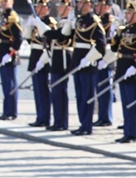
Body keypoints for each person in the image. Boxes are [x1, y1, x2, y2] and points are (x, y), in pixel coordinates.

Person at [110, 0, 136, 144]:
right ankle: (127, 131)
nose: (127, 15)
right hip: (122, 67)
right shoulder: (123, 29)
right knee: (126, 103)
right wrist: (114, 33)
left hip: (133, 69)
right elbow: (115, 48)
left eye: (130, 13)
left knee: (133, 103)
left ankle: (133, 133)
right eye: (127, 13)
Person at [68, 0, 107, 136]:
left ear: (88, 4)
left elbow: (101, 45)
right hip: (78, 62)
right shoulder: (79, 20)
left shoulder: (94, 21)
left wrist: (89, 58)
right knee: (79, 95)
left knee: (87, 96)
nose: (78, 6)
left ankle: (87, 126)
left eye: (80, 3)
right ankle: (82, 123)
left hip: (88, 64)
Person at [44, 0, 73, 131]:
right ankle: (57, 120)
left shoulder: (69, 23)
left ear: (68, 8)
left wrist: (44, 29)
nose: (59, 8)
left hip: (63, 58)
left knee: (60, 91)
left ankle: (62, 122)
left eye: (61, 6)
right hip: (56, 58)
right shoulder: (62, 22)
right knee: (56, 92)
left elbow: (61, 36)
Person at [24, 0, 54, 128]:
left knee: (43, 90)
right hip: (34, 56)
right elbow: (28, 38)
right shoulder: (35, 21)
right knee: (37, 90)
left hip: (44, 57)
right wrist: (29, 25)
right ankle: (39, 116)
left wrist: (42, 61)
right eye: (36, 6)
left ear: (47, 8)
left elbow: (50, 44)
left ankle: (45, 117)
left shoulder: (49, 23)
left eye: (40, 6)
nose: (37, 8)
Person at [0, 0, 22, 121]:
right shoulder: (3, 15)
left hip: (8, 53)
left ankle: (11, 112)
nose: (2, 3)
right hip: (2, 52)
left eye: (5, 1)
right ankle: (6, 111)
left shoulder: (12, 16)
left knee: (10, 85)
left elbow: (19, 38)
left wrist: (11, 53)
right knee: (6, 85)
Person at [94, 0, 116, 128]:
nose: (96, 7)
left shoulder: (111, 22)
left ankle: (107, 116)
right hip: (98, 56)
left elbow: (112, 41)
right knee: (99, 88)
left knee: (106, 87)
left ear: (106, 7)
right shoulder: (99, 20)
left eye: (99, 5)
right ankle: (101, 116)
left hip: (107, 58)